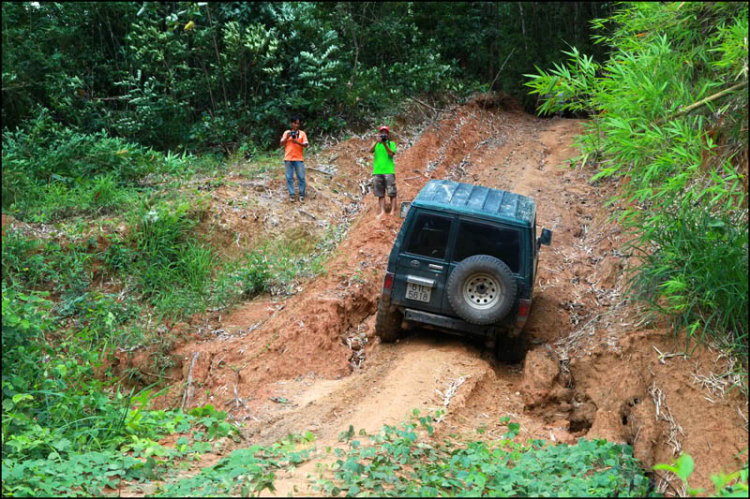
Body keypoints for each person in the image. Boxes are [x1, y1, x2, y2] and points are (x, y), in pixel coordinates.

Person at [369, 125, 397, 217]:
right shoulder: (376, 144)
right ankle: (382, 211)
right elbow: (370, 150)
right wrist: (377, 141)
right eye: (382, 132)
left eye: (385, 132)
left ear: (388, 134)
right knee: (380, 193)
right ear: (379, 133)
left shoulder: (391, 143)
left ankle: (393, 211)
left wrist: (385, 143)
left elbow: (391, 153)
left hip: (388, 171)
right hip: (377, 171)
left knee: (391, 192)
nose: (384, 134)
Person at [280, 116, 309, 202]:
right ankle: (292, 194)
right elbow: (281, 143)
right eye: (295, 123)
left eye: (298, 123)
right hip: (288, 158)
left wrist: (297, 142)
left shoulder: (302, 133)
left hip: (299, 159)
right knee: (289, 177)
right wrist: (287, 137)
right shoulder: (286, 133)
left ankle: (302, 194)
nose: (297, 125)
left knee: (301, 177)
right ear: (291, 123)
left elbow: (306, 144)